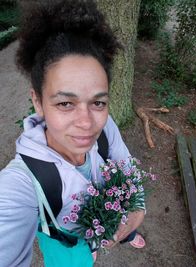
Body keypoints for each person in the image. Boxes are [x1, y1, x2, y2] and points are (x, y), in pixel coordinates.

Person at [0, 0, 145, 266]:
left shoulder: (106, 125)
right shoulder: (20, 184)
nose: (87, 123)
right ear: (38, 102)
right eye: (65, 103)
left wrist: (138, 208)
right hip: (63, 247)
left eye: (98, 102)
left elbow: (125, 164)